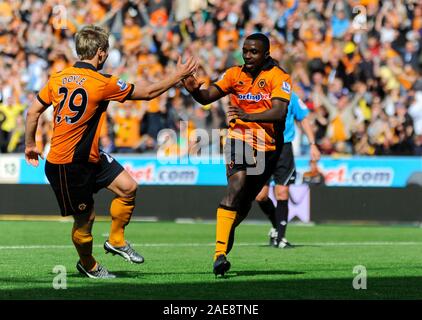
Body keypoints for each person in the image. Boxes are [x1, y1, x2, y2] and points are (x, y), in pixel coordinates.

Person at [24, 25, 197, 279]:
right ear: (101, 54)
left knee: (128, 188)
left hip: (90, 155)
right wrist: (178, 75)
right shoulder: (102, 82)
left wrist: (30, 144)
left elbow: (32, 112)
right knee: (85, 220)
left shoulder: (58, 78)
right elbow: (148, 93)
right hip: (67, 163)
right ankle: (89, 264)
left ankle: (116, 240)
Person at [182, 33, 292, 276]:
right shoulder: (234, 74)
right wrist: (193, 91)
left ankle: (224, 245)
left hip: (268, 147)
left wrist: (249, 115)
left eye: (254, 52)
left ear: (266, 54)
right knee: (236, 184)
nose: (248, 55)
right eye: (245, 50)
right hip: (239, 138)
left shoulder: (279, 77)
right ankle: (218, 255)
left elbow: (279, 111)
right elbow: (207, 96)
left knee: (243, 204)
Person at [255, 91, 321, 248]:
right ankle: (276, 226)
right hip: (262, 147)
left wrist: (312, 144)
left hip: (284, 148)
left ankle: (281, 238)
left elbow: (303, 119)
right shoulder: (258, 94)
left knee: (282, 192)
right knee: (260, 196)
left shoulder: (291, 96)